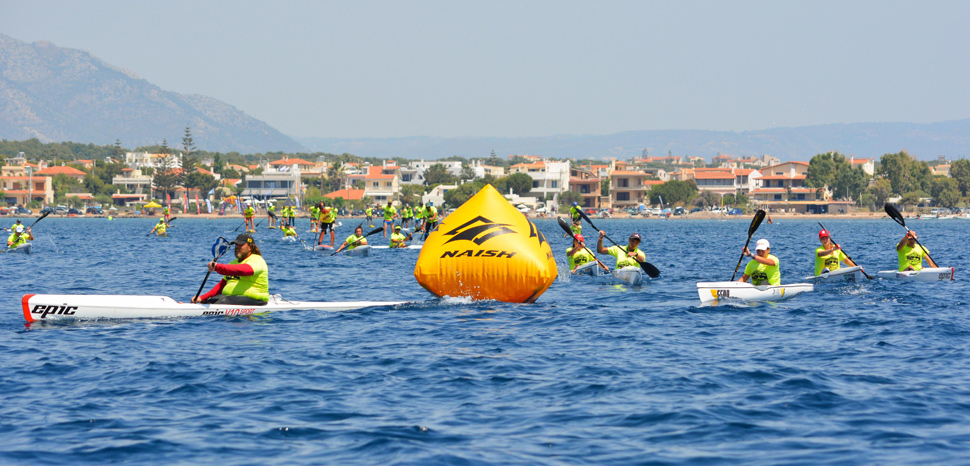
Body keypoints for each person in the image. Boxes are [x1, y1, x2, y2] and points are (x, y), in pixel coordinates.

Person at [192, 233, 269, 305]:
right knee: (210, 300)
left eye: (241, 244)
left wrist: (218, 267)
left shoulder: (257, 260)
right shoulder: (233, 263)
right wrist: (202, 298)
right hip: (233, 299)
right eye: (236, 244)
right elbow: (221, 286)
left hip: (256, 300)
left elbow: (245, 270)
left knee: (222, 300)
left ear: (250, 247)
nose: (237, 247)